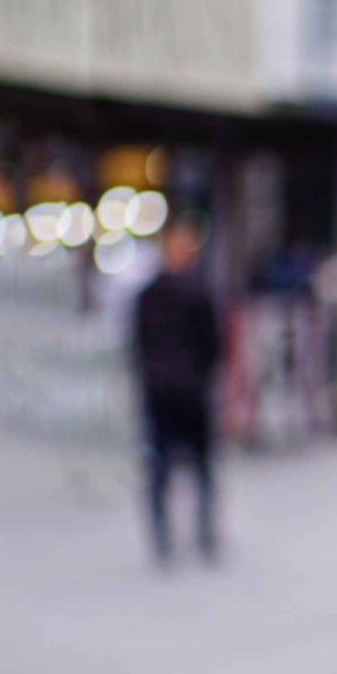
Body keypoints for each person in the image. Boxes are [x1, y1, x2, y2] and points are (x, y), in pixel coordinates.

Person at [132, 215, 223, 568]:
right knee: (176, 468)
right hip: (176, 390)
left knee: (186, 468)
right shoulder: (187, 292)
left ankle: (194, 535)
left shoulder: (157, 294)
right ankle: (175, 537)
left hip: (176, 389)